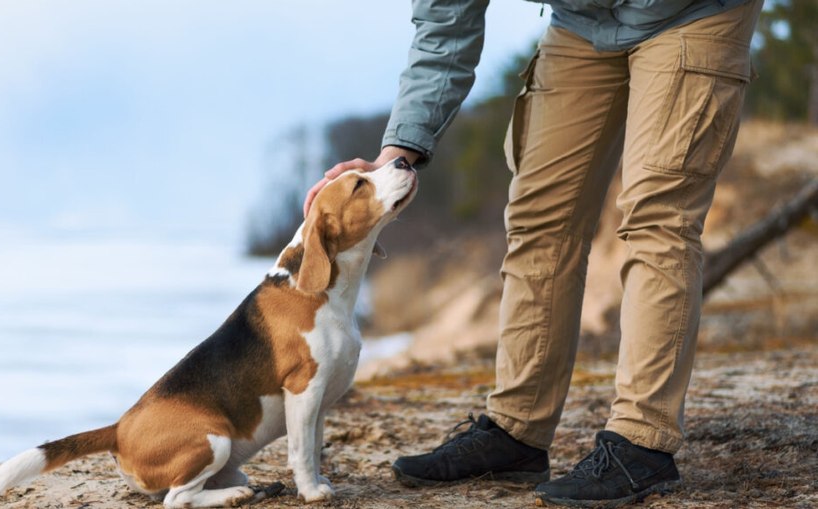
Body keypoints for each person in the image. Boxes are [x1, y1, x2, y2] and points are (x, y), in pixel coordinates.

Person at [304, 0, 763, 506]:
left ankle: (642, 443)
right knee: (539, 218)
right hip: (584, 23)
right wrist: (393, 161)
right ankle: (517, 432)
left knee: (658, 218)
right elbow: (443, 28)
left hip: (692, 11)